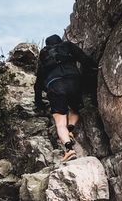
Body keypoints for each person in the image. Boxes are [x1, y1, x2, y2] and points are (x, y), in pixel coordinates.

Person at [34, 34, 96, 162]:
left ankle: (69, 149)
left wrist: (39, 102)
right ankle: (71, 129)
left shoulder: (44, 56)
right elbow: (84, 59)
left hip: (55, 85)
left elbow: (38, 83)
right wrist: (93, 68)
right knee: (74, 109)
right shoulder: (67, 46)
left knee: (59, 123)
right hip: (74, 81)